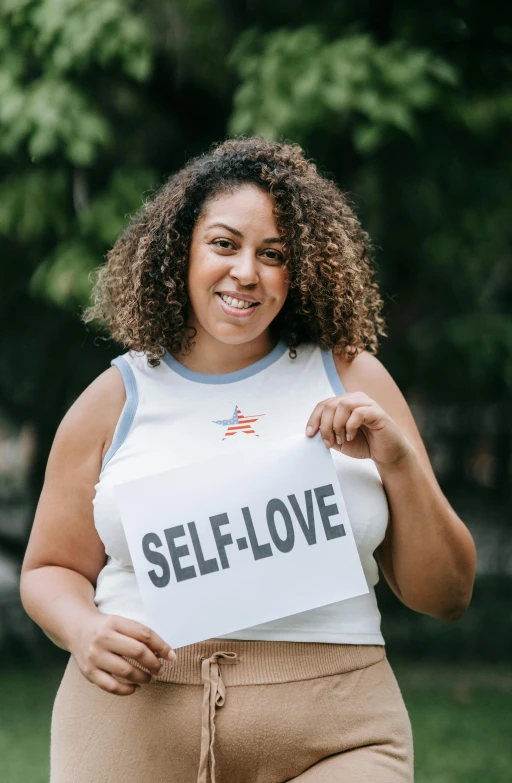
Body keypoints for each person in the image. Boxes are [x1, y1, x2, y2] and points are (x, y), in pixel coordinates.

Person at [20, 136, 476, 783]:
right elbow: (49, 567)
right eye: (225, 244)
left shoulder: (353, 378)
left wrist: (398, 462)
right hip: (133, 723)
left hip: (340, 731)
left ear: (303, 268)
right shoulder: (112, 398)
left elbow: (449, 594)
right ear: (183, 250)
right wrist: (83, 628)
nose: (246, 273)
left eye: (274, 254)